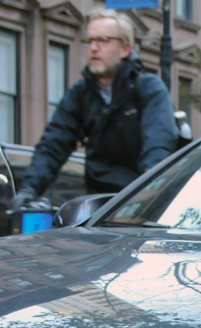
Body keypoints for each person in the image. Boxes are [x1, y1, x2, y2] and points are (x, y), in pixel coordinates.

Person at [9, 10, 177, 211]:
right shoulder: (80, 93)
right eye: (90, 41)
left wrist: (150, 190)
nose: (94, 48)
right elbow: (54, 143)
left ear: (125, 48)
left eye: (103, 41)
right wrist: (29, 189)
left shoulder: (148, 88)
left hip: (142, 198)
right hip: (99, 201)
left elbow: (158, 142)